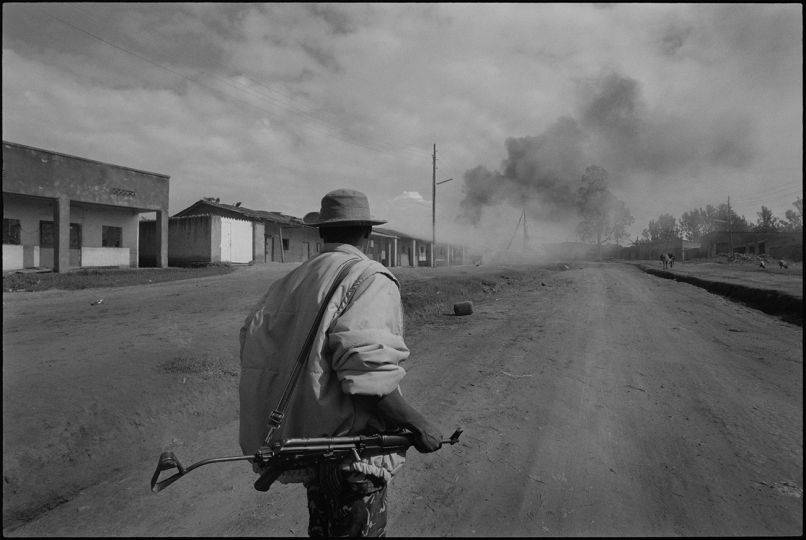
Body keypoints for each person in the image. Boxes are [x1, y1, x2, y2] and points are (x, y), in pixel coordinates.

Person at [239, 188, 443, 537]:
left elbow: (257, 353)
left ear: (321, 232)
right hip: (351, 457)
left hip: (311, 449)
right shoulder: (369, 278)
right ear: (367, 232)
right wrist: (419, 424)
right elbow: (368, 380)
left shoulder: (290, 281)